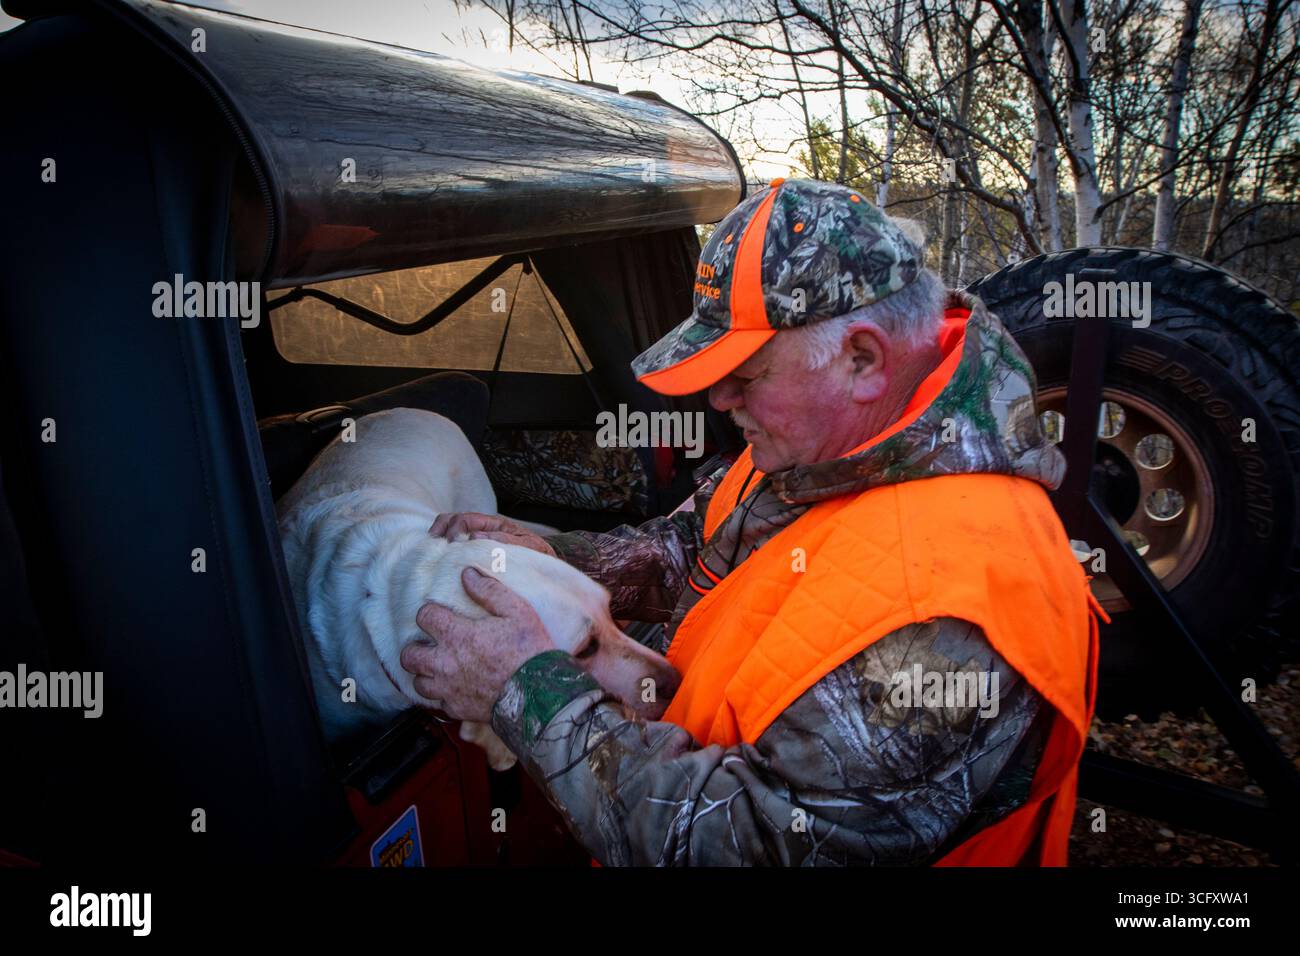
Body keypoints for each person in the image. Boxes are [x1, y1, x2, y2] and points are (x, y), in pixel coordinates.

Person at [401, 178, 1104, 866]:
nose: (717, 396)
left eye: (747, 370)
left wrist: (525, 694)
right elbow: (693, 549)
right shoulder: (833, 440)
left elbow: (747, 839)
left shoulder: (944, 616)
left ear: (862, 359)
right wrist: (555, 561)